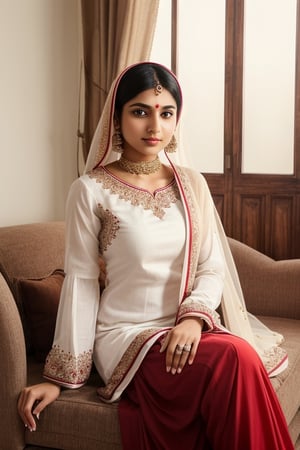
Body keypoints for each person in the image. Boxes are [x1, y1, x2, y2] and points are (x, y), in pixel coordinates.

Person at [18, 62, 294, 449]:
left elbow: (211, 265)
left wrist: (194, 319)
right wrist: (59, 377)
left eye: (166, 114)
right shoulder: (90, 190)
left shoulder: (190, 184)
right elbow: (80, 283)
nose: (155, 127)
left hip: (186, 329)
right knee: (235, 358)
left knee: (239, 356)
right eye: (140, 111)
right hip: (126, 335)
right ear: (117, 116)